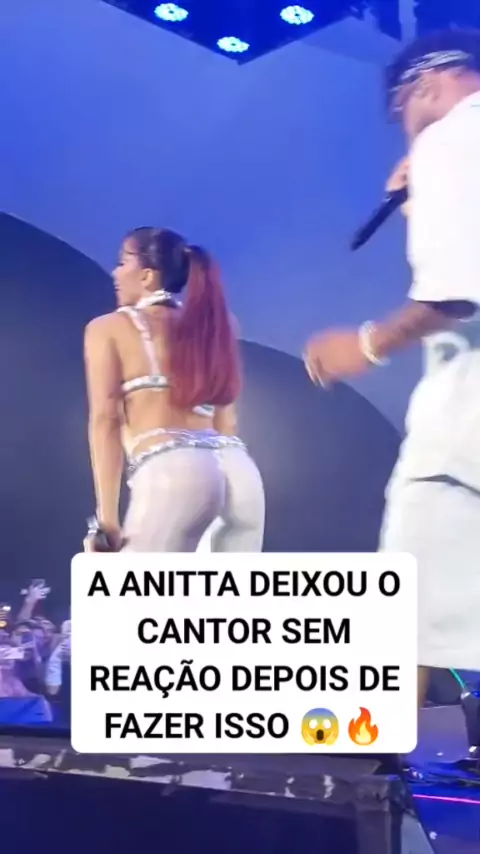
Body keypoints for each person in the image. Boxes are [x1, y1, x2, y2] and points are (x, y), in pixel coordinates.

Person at [303, 28, 480, 706]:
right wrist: (417, 203)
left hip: (463, 429)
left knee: (402, 604)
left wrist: (367, 345)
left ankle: (376, 767)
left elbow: (457, 290)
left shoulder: (450, 138)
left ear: (423, 85)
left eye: (399, 112)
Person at [83, 227, 265, 552]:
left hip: (175, 473)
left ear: (147, 276)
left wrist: (107, 521)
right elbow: (227, 421)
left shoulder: (108, 329)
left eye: (122, 262)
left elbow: (105, 421)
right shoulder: (213, 327)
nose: (115, 273)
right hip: (240, 473)